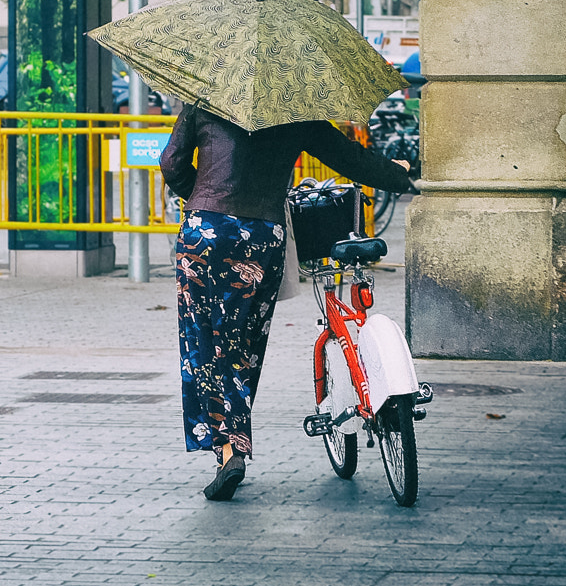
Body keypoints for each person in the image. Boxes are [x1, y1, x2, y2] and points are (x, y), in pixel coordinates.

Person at [160, 103, 413, 502]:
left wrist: (203, 199)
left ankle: (227, 450)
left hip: (203, 234)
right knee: (243, 345)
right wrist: (405, 177)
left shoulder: (206, 98)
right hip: (262, 236)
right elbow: (351, 159)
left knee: (203, 343)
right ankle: (234, 444)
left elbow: (171, 162)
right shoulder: (295, 107)